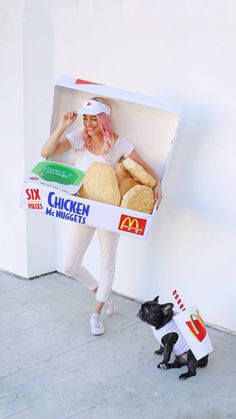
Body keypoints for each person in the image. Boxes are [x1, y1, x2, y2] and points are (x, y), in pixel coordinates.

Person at [41, 97, 162, 335]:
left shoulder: (119, 143)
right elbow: (46, 152)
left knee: (107, 261)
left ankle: (95, 315)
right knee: (69, 264)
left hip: (110, 211)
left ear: (104, 118)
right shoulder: (80, 138)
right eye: (86, 118)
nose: (88, 123)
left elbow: (145, 169)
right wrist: (63, 126)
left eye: (93, 118)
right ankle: (101, 293)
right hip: (85, 207)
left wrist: (157, 184)